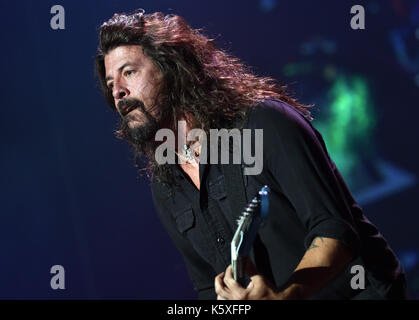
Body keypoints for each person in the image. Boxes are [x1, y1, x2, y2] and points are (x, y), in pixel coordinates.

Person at [94, 9, 408, 300]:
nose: (117, 91)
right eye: (110, 83)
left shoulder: (264, 122)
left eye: (129, 72)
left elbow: (336, 230)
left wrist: (286, 297)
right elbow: (208, 285)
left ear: (172, 69)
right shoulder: (166, 185)